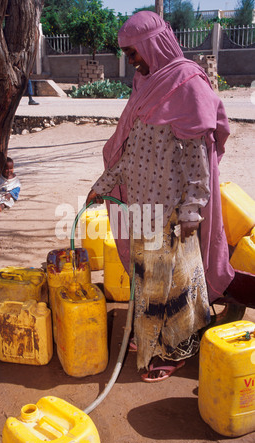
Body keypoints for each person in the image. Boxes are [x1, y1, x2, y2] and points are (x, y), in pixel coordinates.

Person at [86, 11, 234, 382]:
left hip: (170, 212)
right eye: (128, 54)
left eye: (134, 53)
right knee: (148, 282)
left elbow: (199, 163)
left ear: (153, 45)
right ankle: (151, 337)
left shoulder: (186, 84)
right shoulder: (145, 84)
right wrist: (100, 187)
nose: (131, 62)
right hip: (141, 209)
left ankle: (174, 351)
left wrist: (190, 212)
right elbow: (131, 153)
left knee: (174, 286)